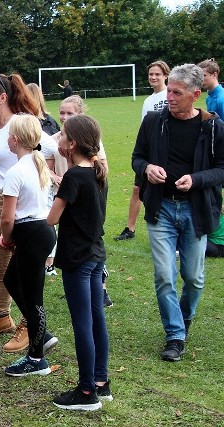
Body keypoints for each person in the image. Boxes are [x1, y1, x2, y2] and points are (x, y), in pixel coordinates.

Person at [132, 63, 224, 362]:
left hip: (195, 211)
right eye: (168, 89)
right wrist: (147, 168)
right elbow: (137, 158)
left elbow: (222, 169)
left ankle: (182, 321)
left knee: (194, 278)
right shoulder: (153, 122)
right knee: (164, 275)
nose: (168, 96)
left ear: (195, 95)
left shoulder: (213, 127)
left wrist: (196, 180)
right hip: (161, 208)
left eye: (176, 92)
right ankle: (174, 335)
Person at [0, 72, 58, 356]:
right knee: (0, 267)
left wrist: (55, 173)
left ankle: (29, 326)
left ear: (3, 97)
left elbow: (49, 146)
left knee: (23, 273)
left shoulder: (20, 124)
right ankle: (2, 317)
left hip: (19, 207)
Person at [48, 114, 111, 411]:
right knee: (97, 319)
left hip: (78, 258)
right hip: (96, 254)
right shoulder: (98, 172)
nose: (58, 140)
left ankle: (87, 392)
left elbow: (53, 218)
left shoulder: (74, 177)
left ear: (71, 144)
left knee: (83, 323)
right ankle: (101, 381)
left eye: (61, 136)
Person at [0, 114, 56, 377]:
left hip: (30, 232)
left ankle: (36, 359)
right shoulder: (37, 163)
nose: (7, 139)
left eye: (9, 134)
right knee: (12, 280)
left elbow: (7, 216)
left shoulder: (16, 171)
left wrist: (6, 237)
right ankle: (41, 334)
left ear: (16, 139)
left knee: (33, 299)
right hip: (41, 231)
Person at [46, 95, 113, 307]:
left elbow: (52, 219)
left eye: (69, 114)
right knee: (94, 312)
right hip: (93, 247)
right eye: (62, 113)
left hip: (77, 252)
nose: (64, 118)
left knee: (82, 316)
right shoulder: (93, 171)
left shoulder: (76, 176)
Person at [116, 60, 171, 241]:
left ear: (166, 75)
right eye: (151, 74)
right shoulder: (148, 100)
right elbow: (144, 129)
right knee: (137, 189)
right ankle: (130, 229)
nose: (153, 77)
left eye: (157, 74)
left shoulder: (170, 96)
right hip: (149, 152)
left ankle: (168, 230)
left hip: (167, 152)